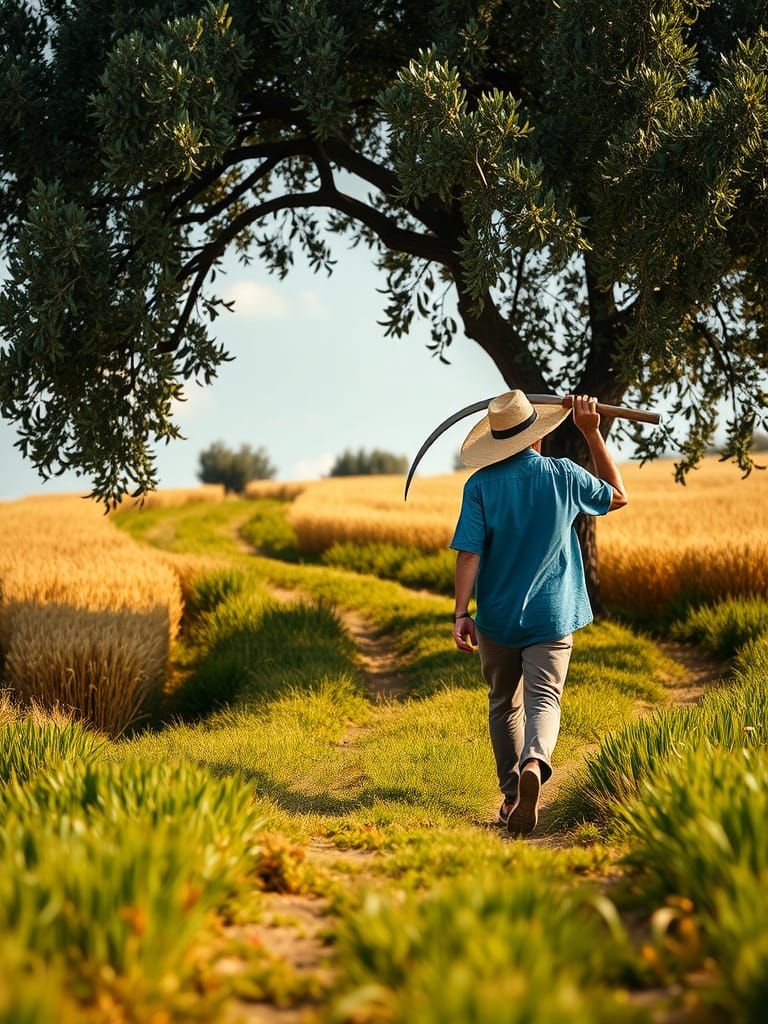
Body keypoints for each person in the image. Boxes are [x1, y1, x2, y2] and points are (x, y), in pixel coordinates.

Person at [449, 391, 628, 837]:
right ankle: (536, 760)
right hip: (553, 615)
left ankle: (511, 797)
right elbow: (618, 496)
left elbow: (468, 555)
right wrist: (592, 432)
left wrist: (460, 613)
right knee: (544, 700)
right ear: (537, 437)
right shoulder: (563, 475)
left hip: (497, 617)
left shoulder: (479, 486)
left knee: (502, 704)